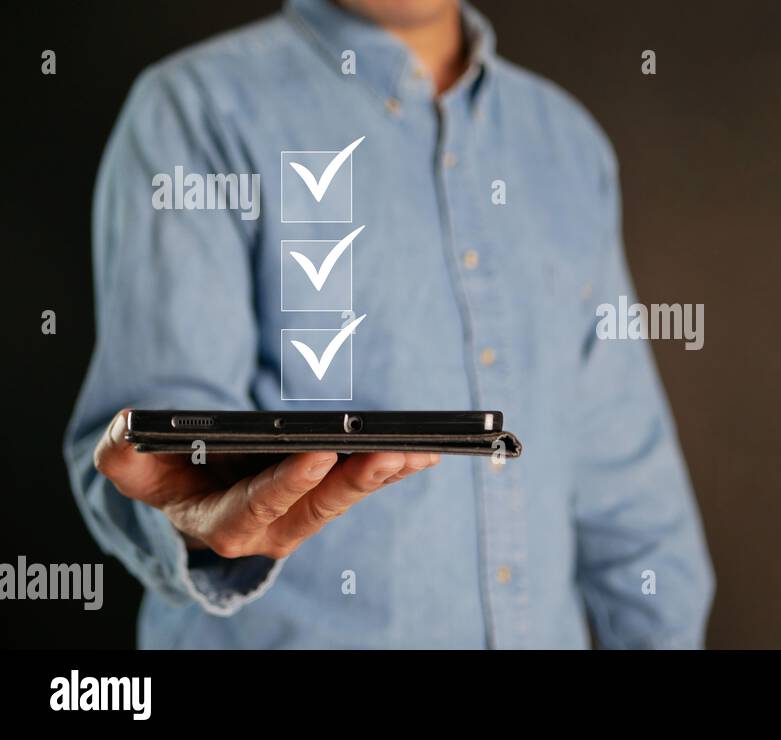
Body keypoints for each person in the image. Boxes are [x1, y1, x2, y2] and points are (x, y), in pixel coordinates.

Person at [63, 0, 713, 648]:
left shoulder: (566, 143)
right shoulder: (195, 109)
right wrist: (191, 519)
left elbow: (629, 490)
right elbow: (160, 443)